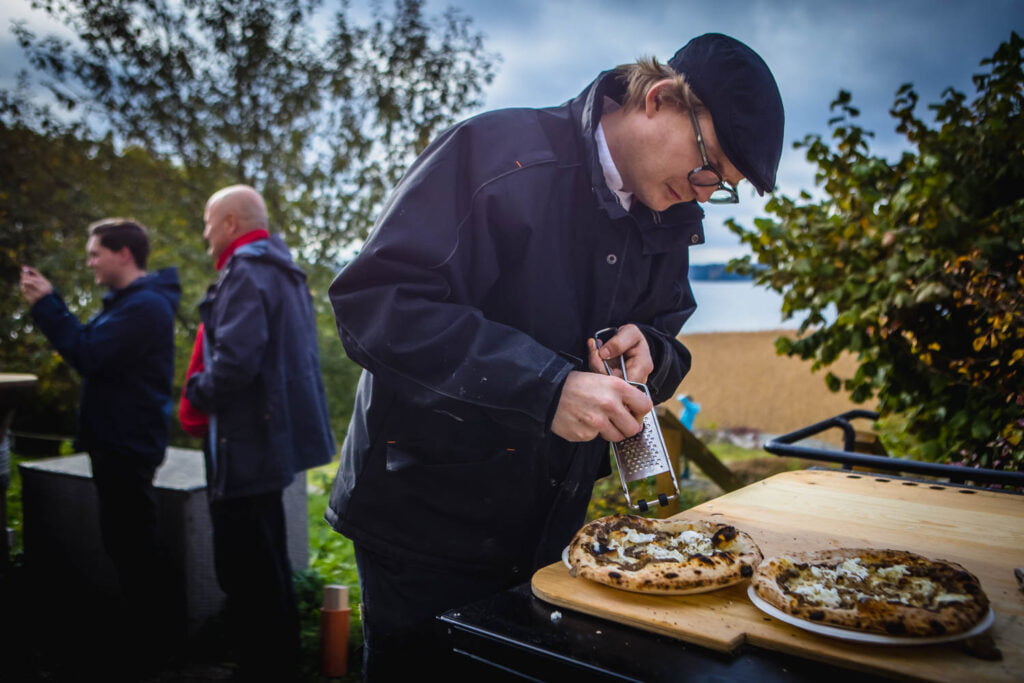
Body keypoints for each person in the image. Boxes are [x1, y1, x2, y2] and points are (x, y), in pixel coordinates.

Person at [327, 32, 784, 678]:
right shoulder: (496, 155)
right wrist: (546, 388)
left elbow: (669, 341)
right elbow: (374, 305)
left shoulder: (669, 213)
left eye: (722, 187)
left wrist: (651, 352)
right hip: (427, 526)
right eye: (710, 168)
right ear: (658, 99)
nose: (706, 193)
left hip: (549, 531)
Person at [181, 184, 335, 680]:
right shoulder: (284, 273)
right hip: (270, 443)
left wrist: (195, 392)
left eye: (208, 222)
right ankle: (277, 662)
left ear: (229, 223)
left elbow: (235, 365)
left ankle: (262, 667)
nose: (205, 234)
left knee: (247, 570)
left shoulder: (246, 272)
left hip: (244, 445)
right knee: (266, 568)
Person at [19, 219, 182, 663]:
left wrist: (48, 304)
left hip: (127, 445)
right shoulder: (130, 304)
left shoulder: (145, 307)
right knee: (127, 543)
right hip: (118, 442)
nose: (90, 261)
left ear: (123, 253)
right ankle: (151, 640)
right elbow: (91, 345)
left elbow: (88, 355)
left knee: (133, 547)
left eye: (95, 253)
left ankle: (153, 647)